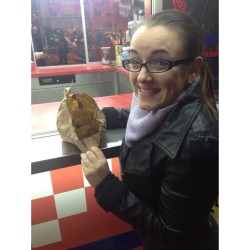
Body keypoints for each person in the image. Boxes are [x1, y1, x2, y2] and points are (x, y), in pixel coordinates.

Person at [80, 9, 218, 250]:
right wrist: (100, 117)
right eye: (135, 60)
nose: (142, 77)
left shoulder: (196, 142)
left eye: (159, 62)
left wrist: (106, 186)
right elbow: (148, 116)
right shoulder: (165, 101)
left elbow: (171, 236)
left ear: (193, 69)